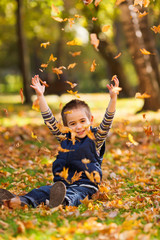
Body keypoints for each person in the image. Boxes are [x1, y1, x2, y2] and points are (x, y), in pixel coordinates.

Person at [0, 75, 119, 208]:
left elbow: (108, 120)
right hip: (63, 185)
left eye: (82, 121)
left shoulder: (96, 139)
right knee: (42, 191)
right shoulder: (64, 138)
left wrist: (113, 98)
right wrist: (40, 97)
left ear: (90, 120)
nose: (78, 127)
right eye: (72, 123)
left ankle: (63, 202)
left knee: (76, 194)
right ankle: (18, 201)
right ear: (66, 126)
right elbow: (49, 120)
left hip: (86, 186)